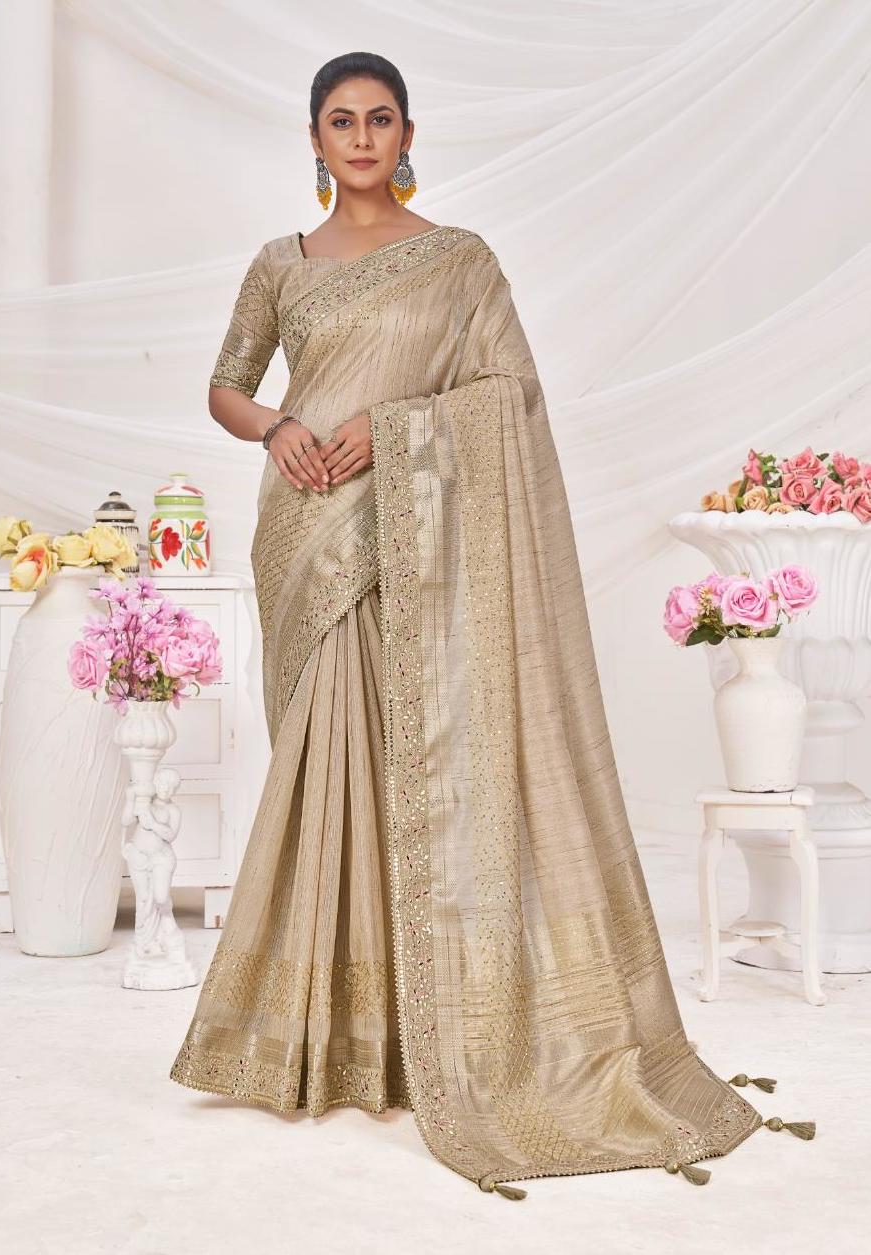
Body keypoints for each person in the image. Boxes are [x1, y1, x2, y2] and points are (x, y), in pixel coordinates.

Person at [169, 51, 814, 1199]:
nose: (358, 137)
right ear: (312, 139)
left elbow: (508, 393)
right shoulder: (280, 263)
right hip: (308, 531)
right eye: (338, 120)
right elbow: (227, 383)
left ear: (406, 134)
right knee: (325, 770)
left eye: (377, 119)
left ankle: (426, 1030)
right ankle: (328, 1033)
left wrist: (394, 425)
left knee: (418, 767)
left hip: (410, 527)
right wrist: (276, 427)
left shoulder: (460, 260)